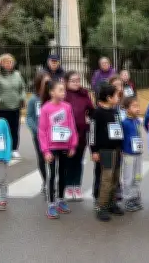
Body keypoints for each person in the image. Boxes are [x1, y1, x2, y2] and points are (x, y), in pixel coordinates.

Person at [38, 79, 78, 219]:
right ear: (51, 92)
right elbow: (42, 131)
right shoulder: (46, 108)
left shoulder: (67, 107)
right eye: (60, 90)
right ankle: (51, 204)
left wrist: (73, 144)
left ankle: (61, 199)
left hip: (65, 146)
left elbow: (71, 126)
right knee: (52, 176)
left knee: (63, 174)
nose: (63, 92)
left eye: (64, 90)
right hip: (51, 147)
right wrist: (46, 150)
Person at [90, 82, 124, 222]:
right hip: (105, 151)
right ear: (109, 98)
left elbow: (118, 129)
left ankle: (111, 202)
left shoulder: (115, 111)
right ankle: (101, 206)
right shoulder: (97, 113)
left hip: (116, 149)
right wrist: (94, 150)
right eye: (116, 95)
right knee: (106, 178)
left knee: (115, 177)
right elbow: (92, 133)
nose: (118, 98)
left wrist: (120, 146)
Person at [0, 54, 26, 159]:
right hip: (2, 108)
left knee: (15, 129)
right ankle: (2, 149)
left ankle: (14, 149)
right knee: (2, 129)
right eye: (6, 62)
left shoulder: (17, 74)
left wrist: (22, 97)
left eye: (11, 62)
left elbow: (22, 87)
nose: (9, 64)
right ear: (1, 63)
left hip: (15, 106)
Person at [63, 70, 93, 201]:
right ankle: (69, 186)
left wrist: (89, 118)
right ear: (66, 82)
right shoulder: (63, 94)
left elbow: (91, 110)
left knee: (79, 160)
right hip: (67, 134)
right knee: (69, 160)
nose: (76, 83)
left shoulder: (84, 94)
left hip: (82, 132)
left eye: (78, 80)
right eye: (73, 81)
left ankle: (77, 186)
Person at [26, 73, 50, 194]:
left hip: (53, 135)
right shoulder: (33, 100)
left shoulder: (52, 98)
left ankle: (55, 181)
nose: (47, 85)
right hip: (39, 135)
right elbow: (29, 118)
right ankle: (46, 181)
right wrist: (37, 131)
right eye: (45, 82)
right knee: (42, 159)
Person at [120, 96, 144, 212]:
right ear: (127, 109)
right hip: (128, 154)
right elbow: (121, 138)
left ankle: (135, 196)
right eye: (134, 106)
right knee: (128, 177)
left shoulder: (138, 121)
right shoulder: (124, 123)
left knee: (137, 176)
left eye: (138, 106)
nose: (137, 109)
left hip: (138, 153)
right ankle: (128, 198)